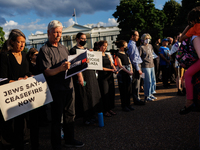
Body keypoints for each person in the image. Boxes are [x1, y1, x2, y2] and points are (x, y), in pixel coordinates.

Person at [36, 20, 84, 149]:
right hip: (56, 88)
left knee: (70, 115)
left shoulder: (63, 48)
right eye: (55, 32)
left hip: (69, 86)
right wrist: (60, 69)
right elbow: (46, 72)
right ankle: (56, 144)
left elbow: (71, 65)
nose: (58, 35)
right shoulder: (44, 50)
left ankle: (70, 139)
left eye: (60, 32)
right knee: (57, 118)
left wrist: (81, 64)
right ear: (48, 32)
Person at [0, 29, 31, 150]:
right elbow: (2, 79)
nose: (22, 45)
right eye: (19, 42)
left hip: (22, 96)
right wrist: (17, 81)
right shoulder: (4, 56)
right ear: (12, 42)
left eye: (24, 42)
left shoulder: (24, 55)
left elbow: (28, 72)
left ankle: (20, 143)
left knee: (21, 123)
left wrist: (28, 76)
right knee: (10, 125)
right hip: (9, 97)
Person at [70, 32, 101, 125]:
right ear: (77, 39)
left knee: (92, 95)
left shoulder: (87, 49)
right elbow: (74, 64)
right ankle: (86, 117)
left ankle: (92, 115)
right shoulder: (73, 50)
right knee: (84, 95)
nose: (84, 40)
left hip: (91, 74)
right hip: (82, 75)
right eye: (82, 39)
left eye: (85, 38)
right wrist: (80, 76)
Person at [178, 6, 200, 114]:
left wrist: (188, 26)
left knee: (187, 75)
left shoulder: (195, 28)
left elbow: (181, 38)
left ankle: (189, 102)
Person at [98, 40, 117, 116]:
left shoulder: (107, 55)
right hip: (103, 77)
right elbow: (100, 67)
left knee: (110, 92)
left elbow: (111, 64)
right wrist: (111, 70)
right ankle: (105, 110)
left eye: (106, 46)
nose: (105, 47)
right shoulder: (97, 55)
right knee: (104, 93)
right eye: (103, 46)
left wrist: (115, 69)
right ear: (99, 46)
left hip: (110, 76)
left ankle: (110, 109)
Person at [127, 30, 145, 105]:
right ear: (132, 36)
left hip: (137, 65)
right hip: (136, 66)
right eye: (137, 35)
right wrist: (138, 69)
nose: (138, 37)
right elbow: (134, 59)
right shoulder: (132, 45)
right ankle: (136, 99)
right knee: (136, 84)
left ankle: (137, 98)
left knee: (137, 83)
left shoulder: (133, 44)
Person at [115, 40, 134, 112]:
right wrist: (128, 71)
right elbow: (120, 65)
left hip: (128, 72)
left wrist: (131, 70)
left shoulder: (126, 54)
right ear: (121, 47)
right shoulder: (118, 54)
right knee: (123, 90)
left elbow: (129, 62)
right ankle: (124, 105)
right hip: (122, 74)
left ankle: (128, 104)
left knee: (129, 90)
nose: (126, 47)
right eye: (125, 46)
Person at [139, 33, 157, 101]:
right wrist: (140, 68)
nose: (148, 40)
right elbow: (139, 58)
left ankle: (151, 93)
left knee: (153, 80)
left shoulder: (150, 45)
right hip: (145, 66)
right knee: (147, 81)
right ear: (143, 39)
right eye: (146, 38)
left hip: (152, 65)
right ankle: (147, 95)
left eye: (148, 38)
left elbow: (152, 54)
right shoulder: (141, 47)